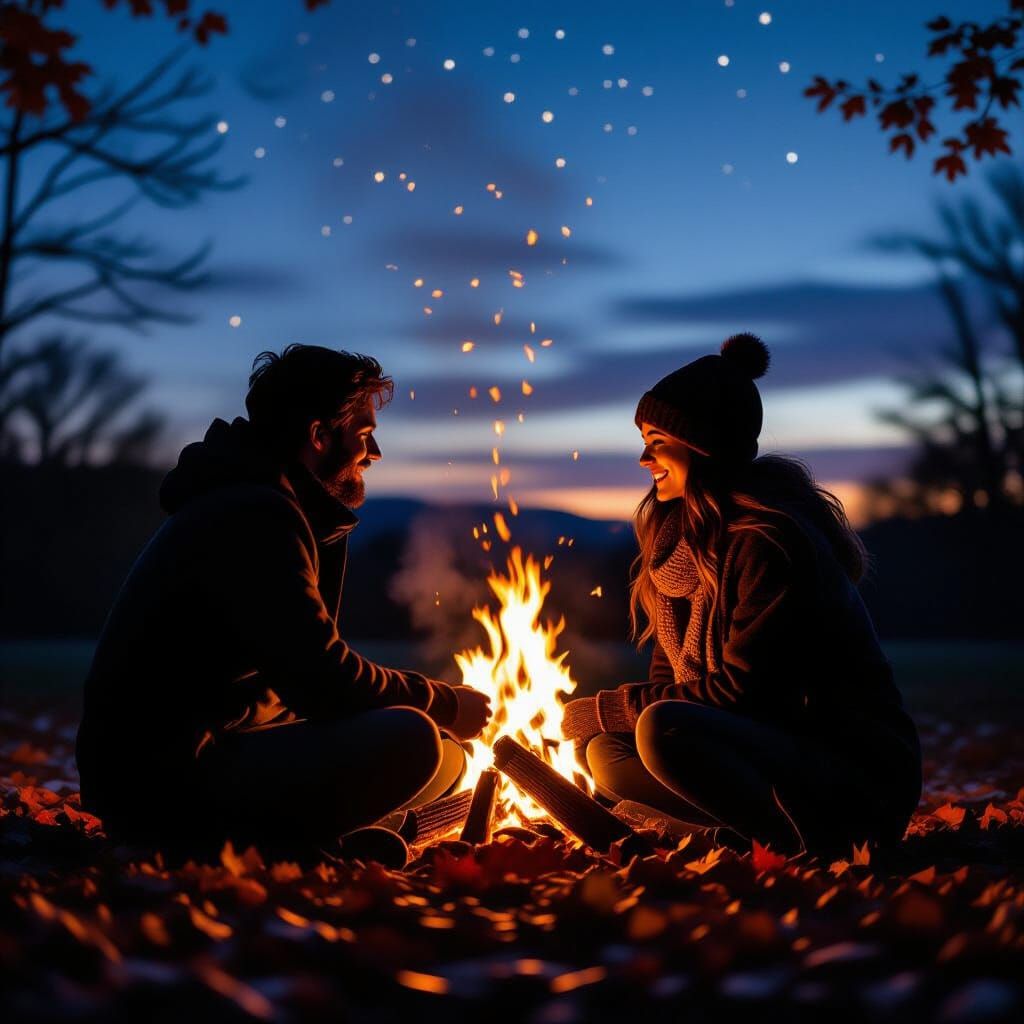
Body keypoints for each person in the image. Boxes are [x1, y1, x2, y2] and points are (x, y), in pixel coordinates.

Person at [76, 345, 491, 858]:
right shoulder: (255, 515)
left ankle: (317, 838)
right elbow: (324, 681)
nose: (375, 452)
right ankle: (260, 845)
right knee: (415, 737)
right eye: (364, 435)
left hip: (201, 753)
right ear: (319, 436)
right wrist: (443, 700)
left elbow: (298, 684)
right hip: (161, 781)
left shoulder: (266, 503)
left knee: (448, 757)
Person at [561, 334, 921, 858]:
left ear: (704, 446)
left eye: (657, 439)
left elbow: (744, 693)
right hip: (770, 748)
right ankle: (733, 836)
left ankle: (803, 842)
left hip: (850, 772)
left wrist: (611, 706)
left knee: (659, 726)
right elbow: (671, 678)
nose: (644, 457)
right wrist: (616, 717)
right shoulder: (677, 549)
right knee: (607, 752)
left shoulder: (769, 541)